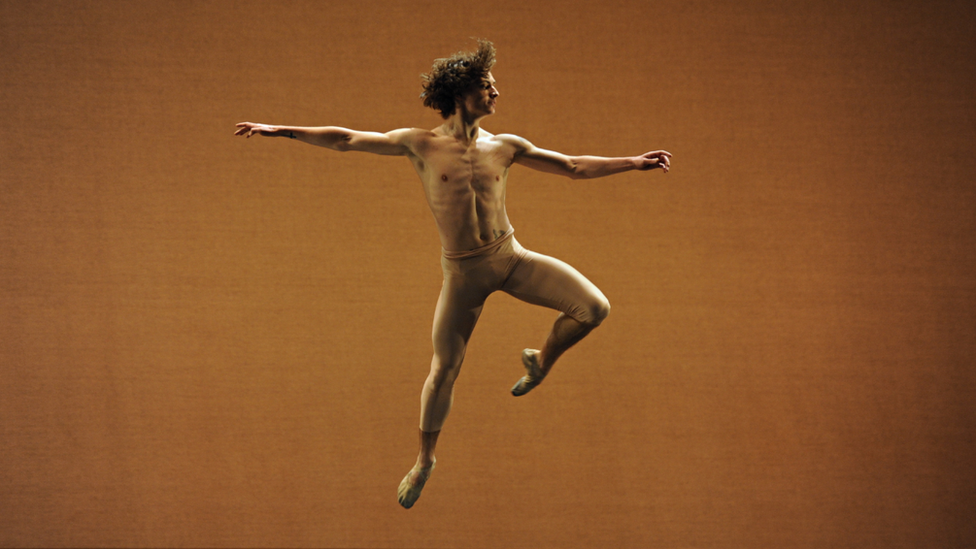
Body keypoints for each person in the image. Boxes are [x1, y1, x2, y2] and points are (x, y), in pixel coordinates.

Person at [235, 39, 671, 509]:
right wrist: (280, 130)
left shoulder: (506, 146)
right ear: (460, 93)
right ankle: (425, 459)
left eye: (494, 84)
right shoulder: (418, 143)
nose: (496, 92)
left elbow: (572, 167)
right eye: (486, 85)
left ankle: (541, 360)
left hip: (511, 258)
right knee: (444, 370)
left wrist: (633, 162)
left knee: (594, 308)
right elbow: (345, 139)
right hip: (464, 276)